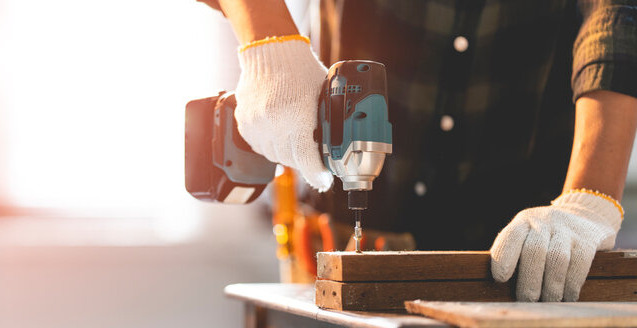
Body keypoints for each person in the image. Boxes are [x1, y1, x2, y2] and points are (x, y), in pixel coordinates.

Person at [200, 0, 637, 302]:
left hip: (528, 249)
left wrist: (589, 197)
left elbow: (619, 16)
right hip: (344, 239)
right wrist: (269, 46)